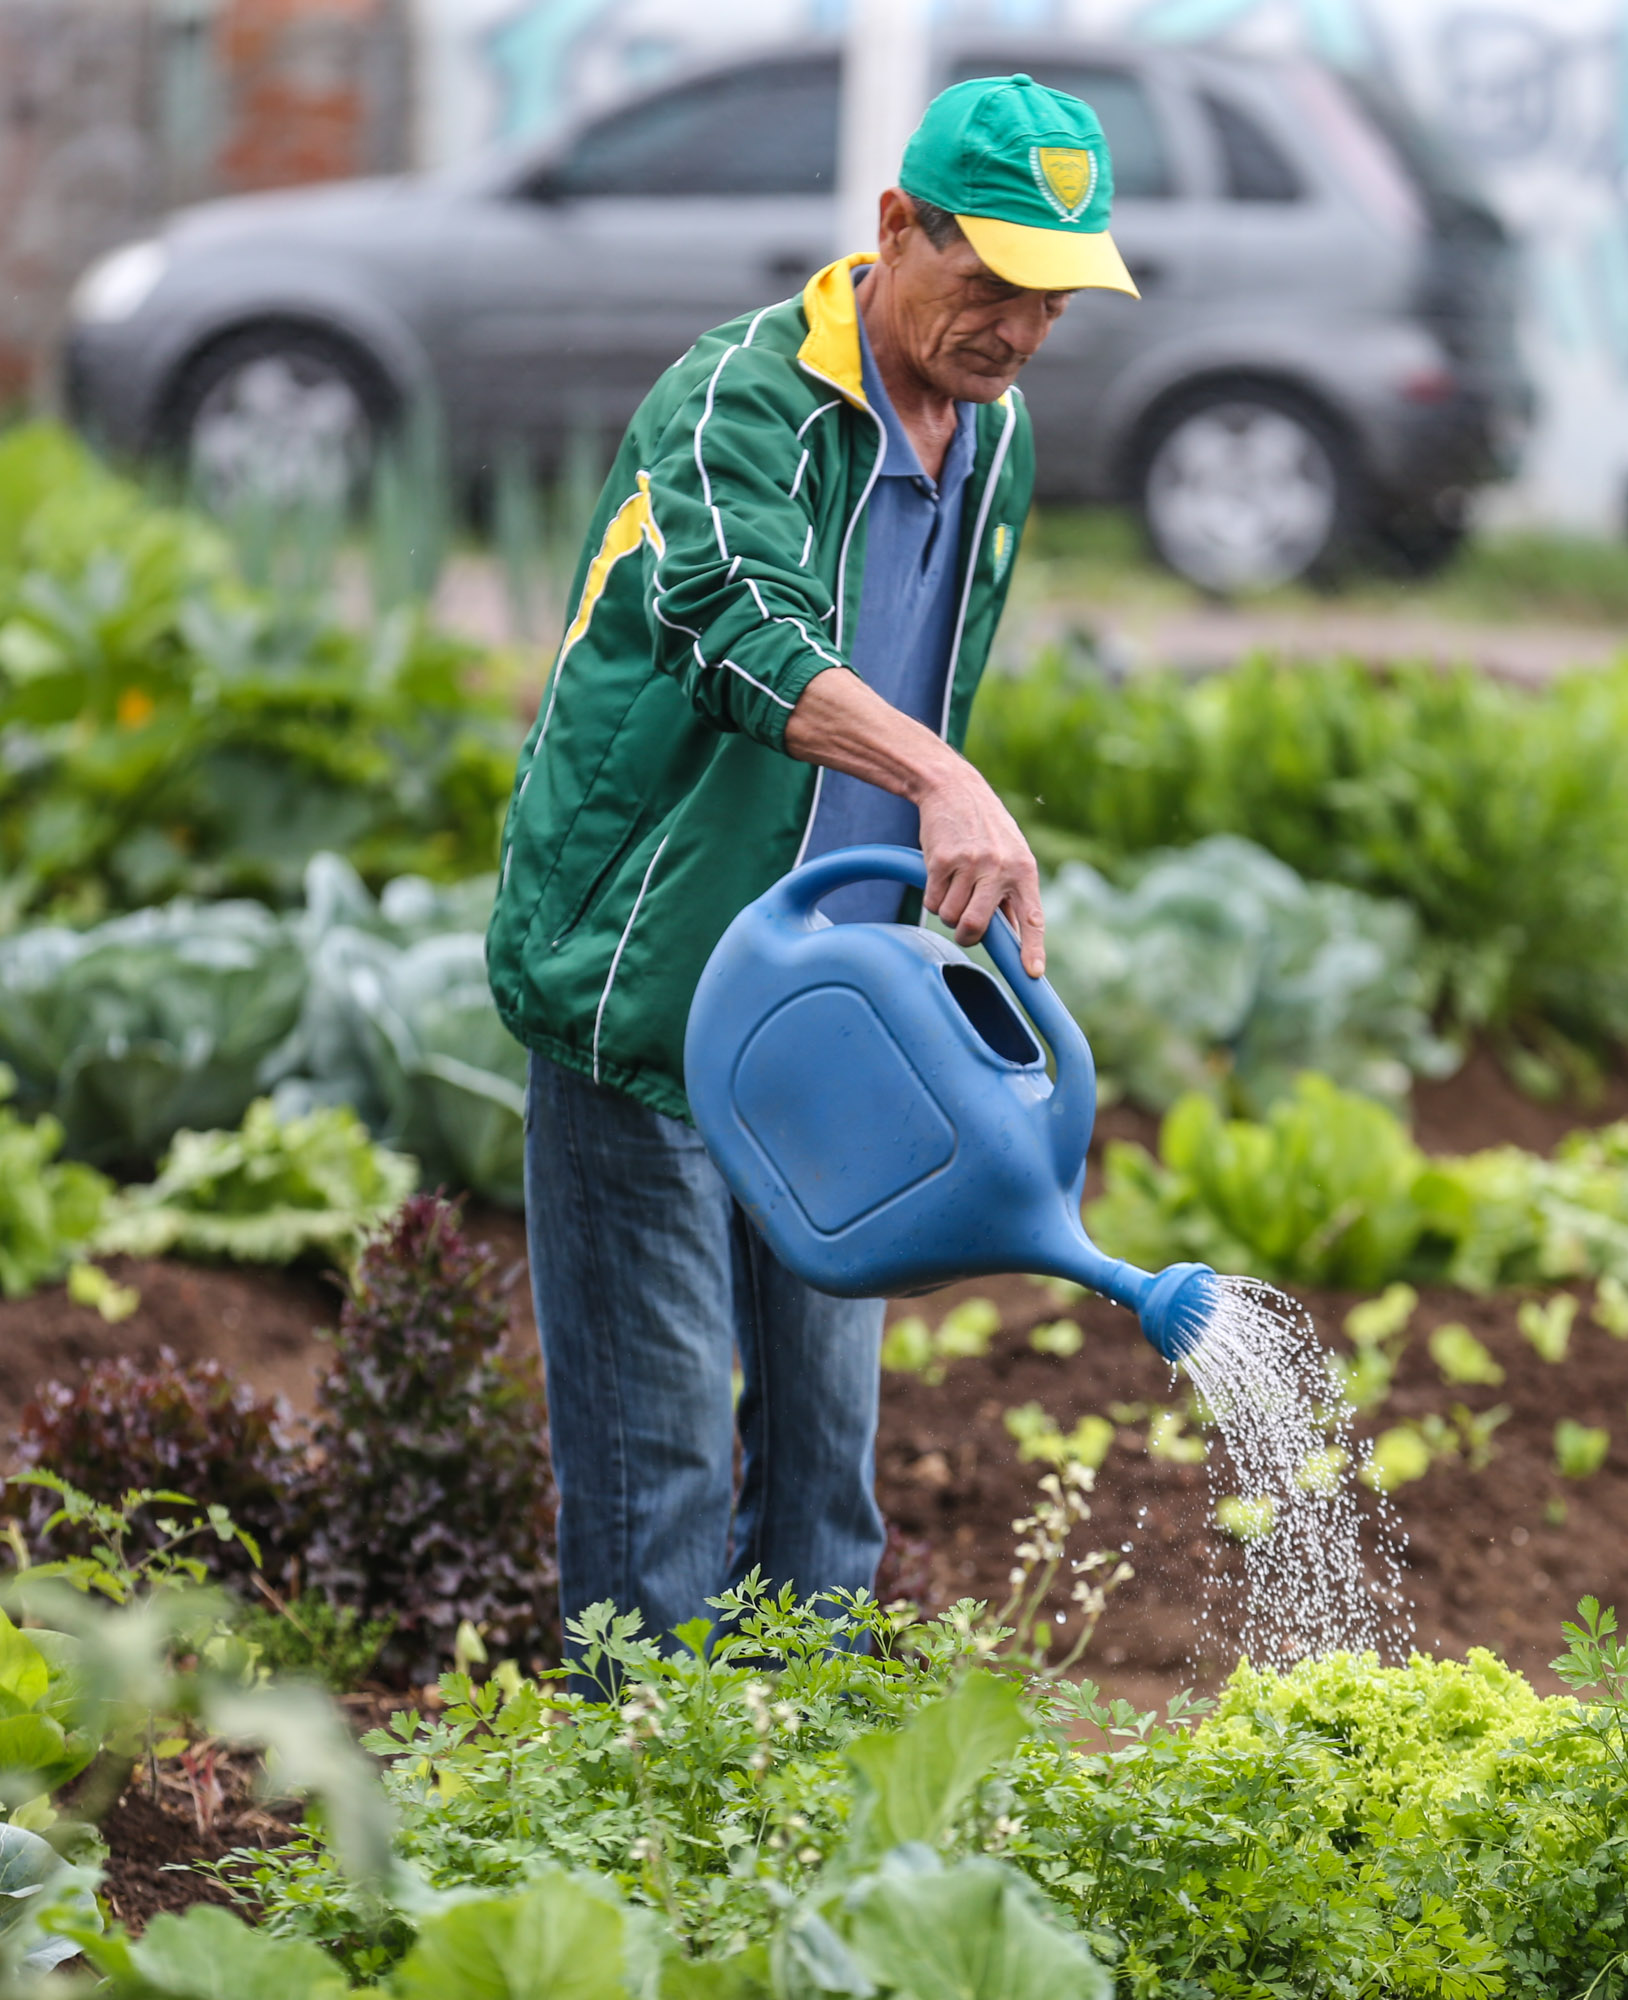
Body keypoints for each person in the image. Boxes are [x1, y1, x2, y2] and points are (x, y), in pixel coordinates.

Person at [484, 74, 1139, 1660]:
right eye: (989, 279)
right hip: (653, 996)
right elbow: (735, 629)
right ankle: (640, 1859)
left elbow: (932, 669)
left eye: (1054, 295)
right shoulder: (741, 401)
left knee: (825, 1504)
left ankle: (804, 1854)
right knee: (662, 1503)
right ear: (893, 229)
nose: (1019, 329)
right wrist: (939, 777)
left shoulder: (998, 447)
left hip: (845, 1019)